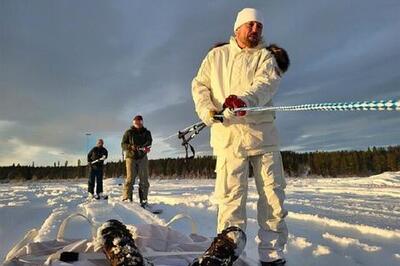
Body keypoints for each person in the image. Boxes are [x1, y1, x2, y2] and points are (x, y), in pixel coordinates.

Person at [191, 8, 289, 266]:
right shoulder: (216, 56)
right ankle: (228, 253)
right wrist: (206, 110)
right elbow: (199, 85)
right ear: (237, 28)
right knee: (230, 200)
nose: (255, 29)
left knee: (273, 200)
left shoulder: (267, 58)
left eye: (259, 25)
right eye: (250, 25)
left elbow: (266, 84)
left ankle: (272, 256)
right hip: (228, 140)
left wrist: (244, 101)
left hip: (263, 137)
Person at [121, 115, 152, 207]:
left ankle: (144, 200)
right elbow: (123, 144)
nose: (138, 124)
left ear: (142, 122)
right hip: (131, 157)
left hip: (142, 158)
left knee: (144, 180)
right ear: (133, 123)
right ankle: (127, 199)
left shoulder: (147, 132)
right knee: (130, 179)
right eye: (136, 122)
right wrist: (131, 147)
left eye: (139, 122)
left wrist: (146, 147)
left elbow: (149, 142)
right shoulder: (128, 132)